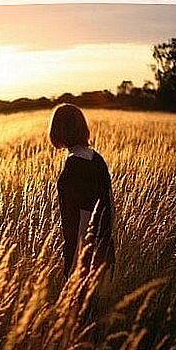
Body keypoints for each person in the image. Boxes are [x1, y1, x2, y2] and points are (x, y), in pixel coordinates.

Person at [49, 103, 115, 282]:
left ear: (59, 131)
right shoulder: (97, 159)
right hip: (104, 252)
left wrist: (74, 268)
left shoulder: (74, 167)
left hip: (83, 259)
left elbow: (82, 220)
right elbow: (110, 207)